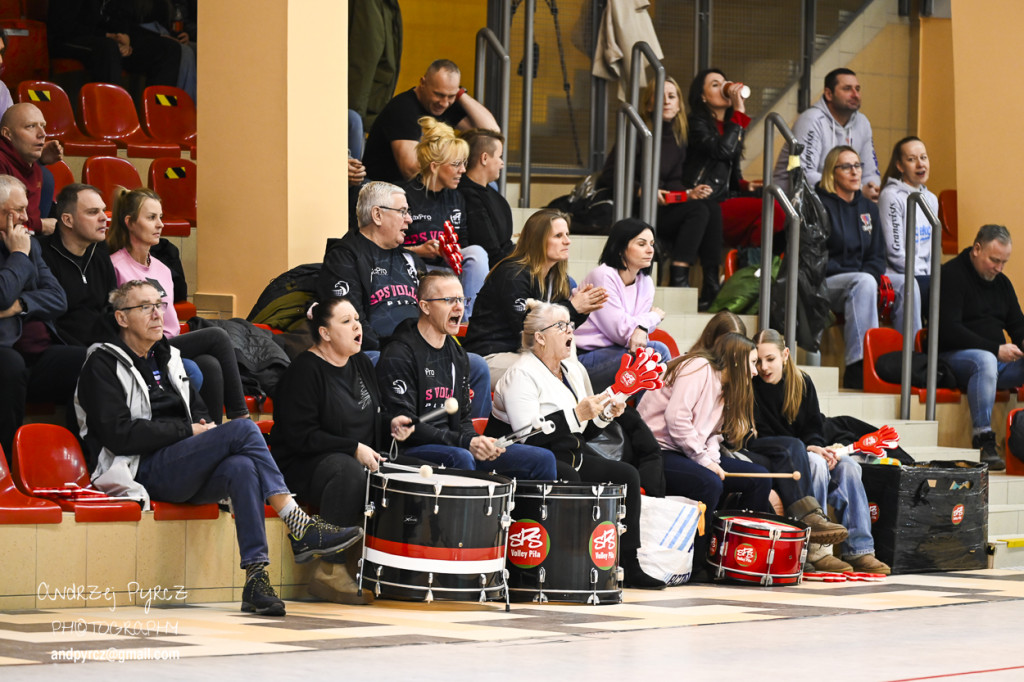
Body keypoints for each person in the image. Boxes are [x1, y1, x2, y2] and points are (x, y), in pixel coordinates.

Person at [76, 280, 363, 617]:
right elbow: (119, 435)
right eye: (145, 307)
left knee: (241, 467)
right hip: (138, 469)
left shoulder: (167, 355)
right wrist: (188, 430)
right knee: (242, 427)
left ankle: (257, 578)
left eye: (160, 304)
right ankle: (297, 522)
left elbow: (196, 410)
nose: (158, 314)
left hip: (180, 464)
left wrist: (201, 428)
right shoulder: (103, 363)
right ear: (122, 318)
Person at [488, 300, 665, 589]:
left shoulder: (570, 371)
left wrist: (607, 411)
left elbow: (584, 429)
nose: (570, 330)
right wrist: (578, 414)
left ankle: (629, 564)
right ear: (541, 337)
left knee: (626, 476)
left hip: (569, 453)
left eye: (570, 324)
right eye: (561, 326)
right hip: (527, 458)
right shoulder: (521, 373)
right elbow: (527, 436)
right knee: (570, 476)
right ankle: (569, 563)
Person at [270, 296, 415, 605]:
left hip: (355, 457)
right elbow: (301, 437)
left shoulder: (361, 362)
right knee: (349, 469)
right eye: (346, 321)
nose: (356, 326)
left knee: (416, 470)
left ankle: (398, 570)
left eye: (357, 319)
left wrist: (390, 423)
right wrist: (353, 449)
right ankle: (330, 571)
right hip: (304, 465)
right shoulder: (304, 371)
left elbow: (369, 414)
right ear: (324, 333)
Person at [317, 181, 493, 418]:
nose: (409, 219)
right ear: (377, 215)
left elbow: (431, 313)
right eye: (402, 212)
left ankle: (473, 442)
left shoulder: (409, 259)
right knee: (388, 362)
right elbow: (350, 324)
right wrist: (400, 351)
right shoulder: (345, 257)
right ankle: (413, 440)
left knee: (478, 367)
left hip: (418, 351)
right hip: (374, 353)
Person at [377, 271, 557, 479]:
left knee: (542, 459)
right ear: (425, 306)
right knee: (462, 457)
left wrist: (479, 443)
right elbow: (407, 427)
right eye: (449, 300)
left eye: (462, 300)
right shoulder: (399, 353)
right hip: (410, 451)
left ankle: (525, 513)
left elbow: (462, 420)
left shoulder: (457, 354)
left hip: (455, 446)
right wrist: (466, 443)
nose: (459, 307)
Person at [752, 329, 891, 575]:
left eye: (770, 359)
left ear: (785, 355)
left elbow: (814, 426)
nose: (763, 367)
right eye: (759, 360)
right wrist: (811, 449)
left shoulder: (802, 381)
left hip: (804, 448)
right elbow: (761, 435)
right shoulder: (752, 385)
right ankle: (817, 552)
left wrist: (818, 446)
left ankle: (860, 550)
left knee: (848, 466)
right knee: (815, 462)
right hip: (779, 456)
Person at [108, 187, 249, 423]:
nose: (160, 224)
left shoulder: (163, 269)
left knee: (209, 365)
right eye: (151, 218)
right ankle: (240, 417)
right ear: (130, 223)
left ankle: (211, 436)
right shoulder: (116, 265)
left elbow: (171, 322)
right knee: (218, 336)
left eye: (161, 217)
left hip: (168, 345)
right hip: (142, 347)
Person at [597, 76, 722, 303]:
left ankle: (710, 283)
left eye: (672, 96)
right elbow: (609, 175)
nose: (667, 101)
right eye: (660, 96)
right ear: (648, 104)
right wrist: (641, 191)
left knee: (709, 206)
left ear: (679, 105)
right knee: (699, 211)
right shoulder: (637, 132)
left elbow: (672, 180)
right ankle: (679, 274)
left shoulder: (677, 137)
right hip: (634, 206)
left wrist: (688, 193)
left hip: (660, 207)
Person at [465, 209, 608, 388]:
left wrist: (581, 311)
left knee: (576, 371)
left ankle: (586, 416)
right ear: (538, 240)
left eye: (567, 234)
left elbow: (557, 332)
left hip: (529, 356)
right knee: (551, 373)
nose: (567, 241)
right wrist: (572, 308)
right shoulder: (512, 274)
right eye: (558, 235)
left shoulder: (559, 279)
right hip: (491, 356)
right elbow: (527, 330)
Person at [816, 146, 920, 389]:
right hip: (826, 281)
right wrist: (862, 276)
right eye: (847, 167)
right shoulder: (819, 205)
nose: (855, 172)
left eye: (858, 165)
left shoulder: (868, 208)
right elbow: (815, 258)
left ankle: (911, 361)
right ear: (833, 173)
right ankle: (859, 365)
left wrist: (870, 275)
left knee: (907, 283)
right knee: (864, 282)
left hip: (861, 280)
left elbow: (877, 255)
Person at [0, 175, 82, 460]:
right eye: (17, 211)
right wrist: (19, 257)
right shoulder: (24, 248)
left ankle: (81, 460)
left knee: (89, 359)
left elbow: (58, 299)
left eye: (26, 208)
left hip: (38, 354)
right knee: (9, 366)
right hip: (5, 352)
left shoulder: (30, 244)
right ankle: (8, 469)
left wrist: (20, 304)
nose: (26, 217)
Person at [938, 224, 1024, 471]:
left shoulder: (1001, 283)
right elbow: (949, 329)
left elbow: (1018, 324)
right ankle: (983, 438)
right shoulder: (952, 274)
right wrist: (995, 349)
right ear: (977, 249)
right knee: (985, 360)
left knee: (989, 360)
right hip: (955, 356)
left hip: (996, 361)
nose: (999, 268)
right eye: (994, 260)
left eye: (1004, 262)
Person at [681, 69, 785, 248]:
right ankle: (752, 263)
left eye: (724, 83)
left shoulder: (731, 125)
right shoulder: (696, 123)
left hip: (724, 198)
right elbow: (722, 151)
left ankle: (754, 264)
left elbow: (731, 171)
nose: (723, 88)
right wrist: (739, 111)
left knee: (779, 206)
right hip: (706, 202)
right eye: (715, 85)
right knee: (771, 210)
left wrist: (746, 186)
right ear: (703, 97)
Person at [401, 117, 489, 317]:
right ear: (434, 166)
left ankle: (466, 320)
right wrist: (419, 250)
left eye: (464, 164)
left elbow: (463, 242)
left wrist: (451, 251)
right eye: (456, 164)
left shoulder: (457, 197)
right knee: (406, 258)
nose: (463, 171)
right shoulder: (404, 195)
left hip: (448, 270)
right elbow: (384, 249)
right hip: (415, 270)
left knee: (476, 253)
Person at [574, 218, 672, 392]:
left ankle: (644, 415)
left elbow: (637, 337)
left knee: (652, 356)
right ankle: (651, 415)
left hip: (618, 354)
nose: (650, 250)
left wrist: (641, 327)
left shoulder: (646, 283)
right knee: (657, 352)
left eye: (651, 244)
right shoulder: (603, 276)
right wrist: (653, 317)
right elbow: (622, 333)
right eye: (641, 244)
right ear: (620, 248)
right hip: (582, 360)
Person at [363, 59, 499, 184]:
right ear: (422, 83)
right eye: (438, 94)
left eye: (451, 96)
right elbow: (410, 170)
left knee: (489, 185)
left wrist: (460, 94)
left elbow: (491, 133)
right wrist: (451, 176)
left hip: (428, 184)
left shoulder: (446, 106)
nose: (444, 103)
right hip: (387, 188)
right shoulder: (402, 109)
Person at [772, 67, 881, 199]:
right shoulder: (811, 120)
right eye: (847, 89)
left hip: (838, 201)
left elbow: (870, 171)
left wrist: (872, 188)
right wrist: (856, 189)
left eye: (857, 89)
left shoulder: (862, 122)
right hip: (793, 204)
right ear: (829, 94)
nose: (855, 95)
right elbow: (804, 175)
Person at [40, 183, 118, 347]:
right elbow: (48, 323)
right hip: (63, 350)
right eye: (93, 212)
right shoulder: (41, 256)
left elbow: (111, 309)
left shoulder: (100, 254)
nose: (104, 217)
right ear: (68, 220)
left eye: (103, 210)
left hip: (103, 349)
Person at [878, 136, 936, 305]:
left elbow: (931, 250)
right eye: (912, 159)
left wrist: (933, 276)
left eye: (923, 157)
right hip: (901, 275)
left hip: (924, 275)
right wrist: (924, 277)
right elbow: (895, 253)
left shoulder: (931, 198)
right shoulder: (891, 196)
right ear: (900, 165)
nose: (920, 164)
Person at [0, 104, 63, 236]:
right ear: (7, 134)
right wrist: (42, 225)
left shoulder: (33, 166)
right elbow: (6, 223)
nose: (42, 134)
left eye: (43, 126)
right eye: (31, 126)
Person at [457, 128, 515, 269]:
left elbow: (506, 243)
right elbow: (490, 250)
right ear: (484, 158)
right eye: (499, 156)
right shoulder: (464, 195)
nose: (502, 163)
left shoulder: (495, 197)